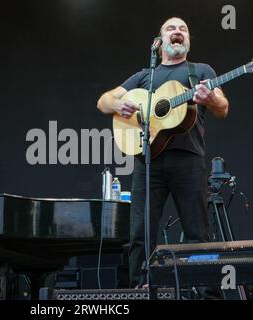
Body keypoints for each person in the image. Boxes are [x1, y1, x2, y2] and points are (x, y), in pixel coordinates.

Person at [97, 17, 229, 289]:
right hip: (148, 161)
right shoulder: (145, 75)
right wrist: (119, 104)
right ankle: (141, 287)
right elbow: (103, 101)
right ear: (159, 43)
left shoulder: (200, 71)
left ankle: (202, 290)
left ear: (187, 41)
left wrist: (211, 98)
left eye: (183, 29)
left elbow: (223, 108)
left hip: (188, 159)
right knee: (140, 233)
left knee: (198, 232)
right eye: (171, 28)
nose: (178, 32)